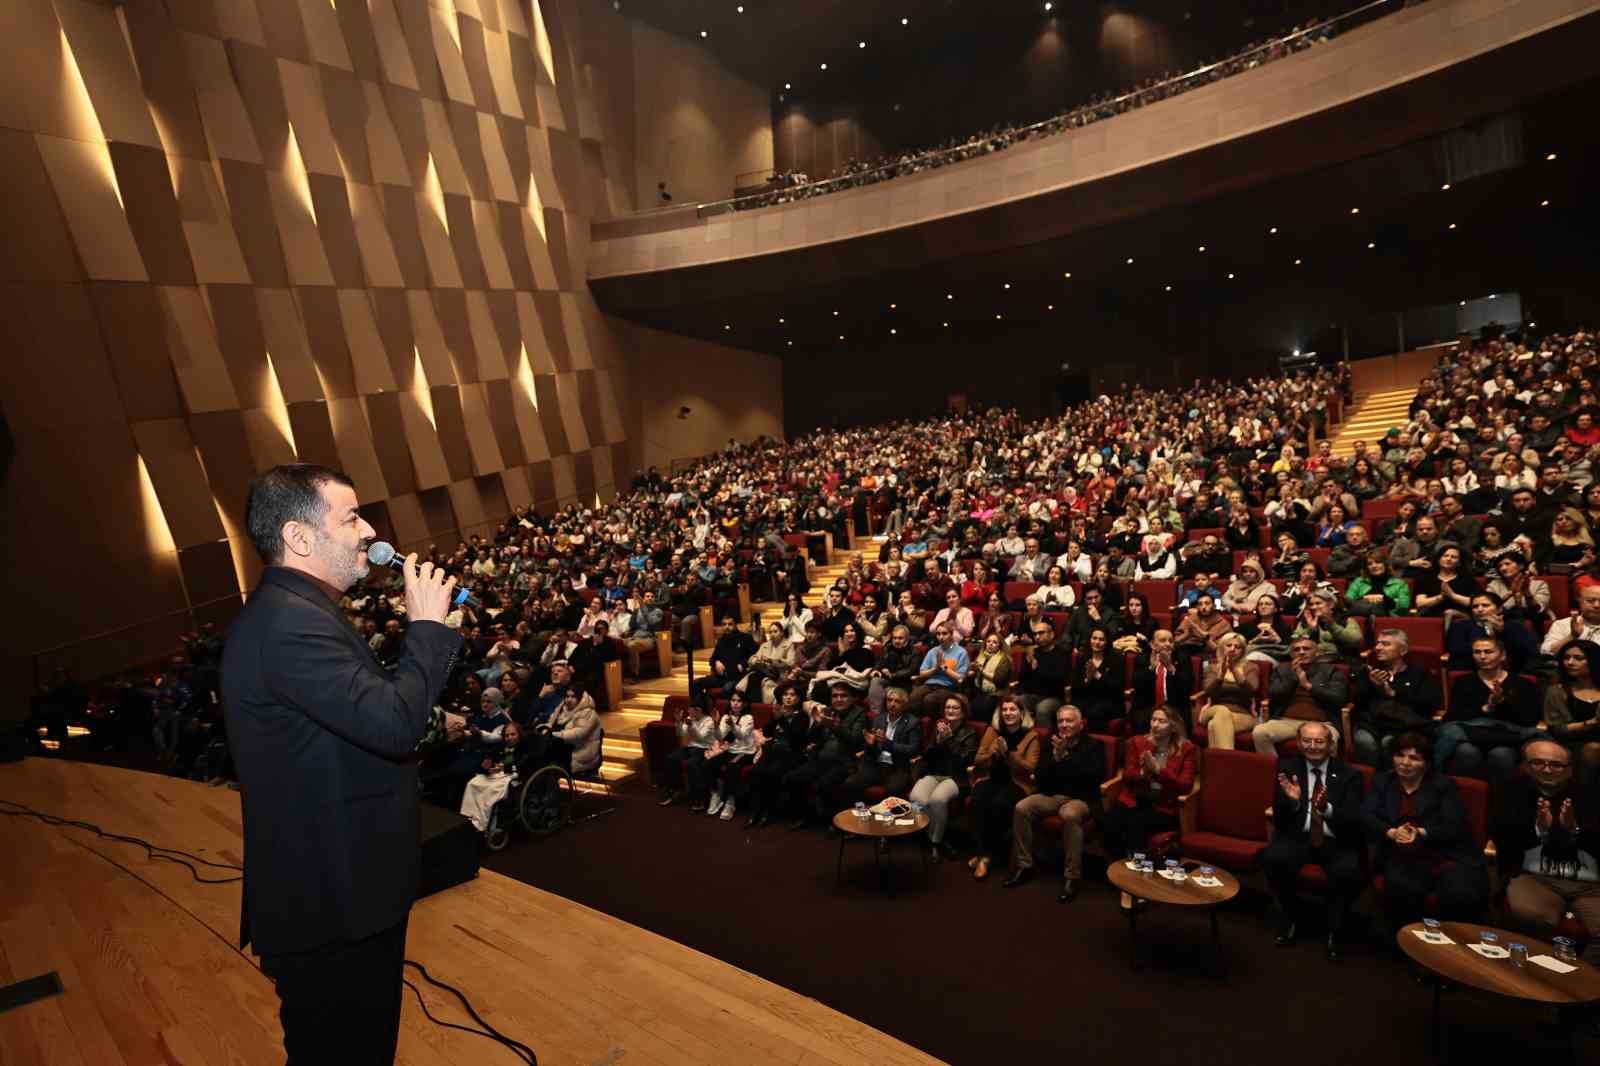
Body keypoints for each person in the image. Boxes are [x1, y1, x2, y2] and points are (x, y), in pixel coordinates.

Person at [222, 464, 463, 1064]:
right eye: (351, 516)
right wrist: (427, 631)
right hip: (331, 905)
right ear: (300, 538)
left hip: (345, 894)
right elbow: (392, 723)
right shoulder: (288, 625)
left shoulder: (298, 612)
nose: (368, 529)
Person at [1361, 732, 1490, 928]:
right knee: (1400, 889)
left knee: (1460, 894)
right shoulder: (1383, 782)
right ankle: (1408, 940)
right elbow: (1367, 816)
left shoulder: (1443, 786)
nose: (1405, 762)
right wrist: (1392, 832)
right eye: (1400, 755)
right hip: (1400, 852)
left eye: (1414, 758)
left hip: (1443, 851)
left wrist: (1420, 832)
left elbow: (1454, 826)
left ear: (1427, 763)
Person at [1491, 738, 1600, 964]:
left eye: (1556, 764)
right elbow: (1505, 843)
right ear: (1526, 765)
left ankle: (1579, 987)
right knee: (1532, 917)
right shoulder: (1510, 792)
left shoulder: (1590, 794)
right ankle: (1537, 978)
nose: (1547, 769)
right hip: (1534, 878)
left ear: (1569, 769)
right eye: (1538, 762)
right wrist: (1540, 830)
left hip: (1589, 883)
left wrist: (1574, 830)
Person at [1264, 721, 1366, 961]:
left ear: (1330, 744)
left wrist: (1327, 809)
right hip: (1298, 835)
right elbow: (1279, 818)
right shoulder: (1287, 767)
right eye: (1307, 741)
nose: (1313, 746)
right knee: (1273, 858)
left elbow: (1353, 819)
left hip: (1335, 839)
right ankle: (1291, 917)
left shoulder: (1351, 775)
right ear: (1299, 743)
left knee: (1348, 869)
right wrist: (1294, 802)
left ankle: (1335, 930)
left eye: (1319, 741)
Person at [1005, 705, 1105, 902]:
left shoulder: (1094, 745)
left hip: (1081, 798)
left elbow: (1092, 779)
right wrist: (1055, 759)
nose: (1064, 725)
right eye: (1061, 721)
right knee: (1021, 807)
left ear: (1081, 724)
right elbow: (1040, 778)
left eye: (1069, 721)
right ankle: (1025, 866)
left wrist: (1066, 757)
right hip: (1052, 796)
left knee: (1069, 814)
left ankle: (1072, 876)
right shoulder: (1049, 741)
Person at [1102, 707, 1198, 907]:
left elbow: (1185, 785)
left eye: (1161, 721)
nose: (1155, 724)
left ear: (1173, 726)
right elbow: (1127, 776)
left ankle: (1133, 886)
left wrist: (1159, 771)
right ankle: (1125, 874)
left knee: (1136, 824)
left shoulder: (1186, 749)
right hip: (1135, 799)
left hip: (1163, 806)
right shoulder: (1137, 743)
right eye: (1153, 719)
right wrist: (1144, 772)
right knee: (1110, 822)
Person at [1437, 636, 1541, 780]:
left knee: (1501, 754)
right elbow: (1453, 717)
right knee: (1466, 752)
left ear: (1502, 655)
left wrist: (1502, 702)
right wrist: (1487, 707)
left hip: (1507, 738)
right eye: (1477, 652)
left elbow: (1530, 720)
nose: (1482, 657)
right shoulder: (1463, 682)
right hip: (1471, 736)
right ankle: (1469, 797)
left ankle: (1500, 800)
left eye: (1488, 652)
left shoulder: (1523, 684)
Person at [967, 695, 1039, 881]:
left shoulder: (1031, 736)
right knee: (977, 799)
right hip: (992, 779)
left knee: (999, 805)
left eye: (1012, 709)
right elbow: (978, 759)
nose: (1008, 713)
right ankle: (983, 853)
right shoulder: (993, 731)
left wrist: (1008, 754)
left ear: (1022, 714)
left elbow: (1030, 767)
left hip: (1017, 784)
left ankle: (985, 857)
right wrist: (993, 753)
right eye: (1004, 710)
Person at [783, 682, 868, 829]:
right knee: (793, 777)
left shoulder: (859, 714)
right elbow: (812, 738)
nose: (839, 699)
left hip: (845, 762)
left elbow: (855, 741)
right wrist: (818, 725)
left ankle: (833, 822)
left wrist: (834, 726)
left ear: (852, 698)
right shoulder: (828, 711)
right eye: (835, 696)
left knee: (825, 782)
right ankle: (806, 815)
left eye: (843, 696)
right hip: (821, 759)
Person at [1351, 628, 1441, 766]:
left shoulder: (1420, 673)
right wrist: (1372, 686)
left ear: (1403, 650)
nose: (1378, 648)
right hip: (1372, 724)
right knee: (1364, 741)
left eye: (1386, 644)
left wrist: (1393, 693)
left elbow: (1429, 704)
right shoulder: (1369, 672)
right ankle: (1369, 782)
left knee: (1390, 742)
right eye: (1378, 643)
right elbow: (1357, 701)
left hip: (1405, 726)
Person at [910, 693, 982, 861]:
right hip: (933, 773)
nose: (950, 710)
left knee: (937, 800)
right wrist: (937, 741)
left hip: (956, 777)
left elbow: (964, 760)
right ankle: (934, 836)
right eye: (948, 707)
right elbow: (926, 755)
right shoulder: (938, 727)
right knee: (917, 798)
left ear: (963, 713)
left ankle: (935, 842)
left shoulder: (970, 732)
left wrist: (949, 740)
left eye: (955, 708)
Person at [1255, 637, 1348, 754]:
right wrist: (1294, 677)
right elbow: (1273, 694)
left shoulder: (1331, 671)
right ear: (1291, 654)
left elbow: (1338, 699)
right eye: (1296, 649)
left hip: (1321, 723)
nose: (1301, 652)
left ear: (1317, 652)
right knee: (1259, 733)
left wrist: (1309, 686)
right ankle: (1274, 769)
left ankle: (1322, 771)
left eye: (1306, 648)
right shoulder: (1282, 670)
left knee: (1328, 738)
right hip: (1286, 722)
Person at [838, 686, 923, 808]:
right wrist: (870, 744)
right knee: (851, 783)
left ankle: (885, 822)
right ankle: (860, 814)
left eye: (897, 701)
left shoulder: (912, 722)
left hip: (897, 767)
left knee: (893, 789)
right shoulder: (879, 719)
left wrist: (888, 743)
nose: (892, 704)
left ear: (904, 705)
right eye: (889, 700)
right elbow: (869, 751)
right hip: (876, 764)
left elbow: (913, 750)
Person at [741, 684, 811, 829]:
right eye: (786, 694)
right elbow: (767, 733)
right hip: (773, 752)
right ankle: (755, 812)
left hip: (791, 755)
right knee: (755, 772)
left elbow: (796, 740)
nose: (788, 697)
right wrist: (775, 718)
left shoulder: (802, 716)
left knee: (771, 774)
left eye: (792, 695)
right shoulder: (778, 712)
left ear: (798, 698)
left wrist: (782, 719)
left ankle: (767, 812)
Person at [1542, 639, 1600, 782]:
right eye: (1566, 658)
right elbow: (1558, 729)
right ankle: (1586, 795)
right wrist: (1594, 722)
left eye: (1578, 658)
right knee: (1593, 749)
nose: (1570, 662)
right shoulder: (1557, 691)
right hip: (1573, 743)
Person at [1198, 632, 1260, 749]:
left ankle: (1216, 764)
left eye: (1237, 647)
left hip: (1242, 714)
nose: (1233, 649)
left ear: (1243, 651)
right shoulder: (1212, 668)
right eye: (1229, 645)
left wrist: (1235, 671)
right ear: (1222, 648)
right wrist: (1220, 676)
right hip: (1213, 710)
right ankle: (1228, 759)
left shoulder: (1251, 667)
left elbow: (1252, 690)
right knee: (1222, 711)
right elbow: (1208, 691)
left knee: (1213, 726)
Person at [459, 721, 521, 834]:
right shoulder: (502, 747)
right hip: (497, 774)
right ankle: (470, 816)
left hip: (512, 776)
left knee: (490, 790)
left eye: (513, 734)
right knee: (473, 783)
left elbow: (520, 765)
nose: (509, 738)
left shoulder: (523, 749)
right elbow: (492, 760)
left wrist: (502, 767)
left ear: (519, 735)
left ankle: (483, 823)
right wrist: (488, 765)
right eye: (507, 735)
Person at [1129, 628, 1193, 732]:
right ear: (1152, 644)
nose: (1168, 644)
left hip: (1174, 709)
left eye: (1171, 641)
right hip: (1147, 708)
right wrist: (1151, 668)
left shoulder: (1182, 659)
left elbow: (1187, 688)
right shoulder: (1142, 659)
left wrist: (1171, 668)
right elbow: (1138, 687)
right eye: (1163, 640)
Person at [657, 698, 715, 808]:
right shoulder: (689, 718)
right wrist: (678, 721)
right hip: (690, 747)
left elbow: (701, 738)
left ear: (699, 710)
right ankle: (674, 789)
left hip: (703, 749)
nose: (688, 711)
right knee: (670, 758)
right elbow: (680, 733)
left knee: (692, 764)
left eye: (691, 709)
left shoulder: (709, 721)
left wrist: (691, 726)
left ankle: (699, 797)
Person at [1070, 626, 1127, 731]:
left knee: (1095, 712)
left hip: (1110, 701)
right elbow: (1075, 687)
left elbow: (1117, 688)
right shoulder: (1082, 657)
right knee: (1070, 710)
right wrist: (1087, 679)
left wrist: (1097, 675)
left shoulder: (1116, 659)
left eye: (1101, 639)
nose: (1097, 642)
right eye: (1094, 638)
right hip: (1088, 699)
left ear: (1107, 642)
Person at [909, 621, 970, 713]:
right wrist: (935, 669)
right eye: (938, 634)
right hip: (929, 684)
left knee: (929, 700)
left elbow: (960, 677)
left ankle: (932, 723)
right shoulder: (933, 651)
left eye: (944, 633)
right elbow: (922, 673)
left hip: (948, 687)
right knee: (914, 697)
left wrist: (944, 667)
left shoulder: (961, 652)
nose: (941, 637)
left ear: (951, 634)